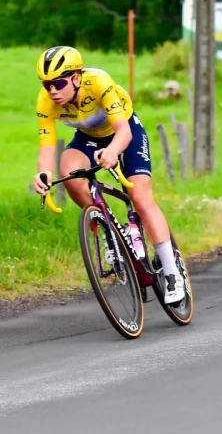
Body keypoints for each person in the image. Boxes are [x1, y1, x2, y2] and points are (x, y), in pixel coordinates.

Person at [33, 46, 186, 303]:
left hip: (126, 132)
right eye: (47, 84)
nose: (53, 91)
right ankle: (108, 231)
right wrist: (43, 174)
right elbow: (47, 146)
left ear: (76, 78)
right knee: (67, 172)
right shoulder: (46, 101)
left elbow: (123, 131)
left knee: (140, 197)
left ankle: (172, 274)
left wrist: (113, 151)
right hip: (88, 138)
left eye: (58, 83)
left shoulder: (99, 82)